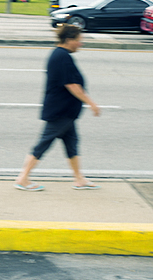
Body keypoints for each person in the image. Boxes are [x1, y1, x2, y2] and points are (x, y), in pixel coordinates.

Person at [15, 24, 101, 191]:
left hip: (66, 111)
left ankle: (79, 179)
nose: (80, 44)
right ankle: (23, 178)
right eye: (78, 40)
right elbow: (71, 84)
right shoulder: (62, 57)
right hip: (60, 112)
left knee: (72, 144)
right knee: (43, 143)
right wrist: (91, 102)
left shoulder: (61, 54)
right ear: (69, 40)